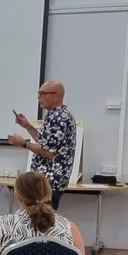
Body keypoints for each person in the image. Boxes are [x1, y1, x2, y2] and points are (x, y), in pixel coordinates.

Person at [8, 79, 76, 209]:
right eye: (39, 93)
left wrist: (23, 143)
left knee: (43, 222)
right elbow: (46, 143)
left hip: (49, 182)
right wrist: (27, 126)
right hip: (46, 181)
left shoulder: (59, 118)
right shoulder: (55, 115)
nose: (39, 97)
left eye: (43, 93)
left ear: (57, 95)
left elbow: (49, 153)